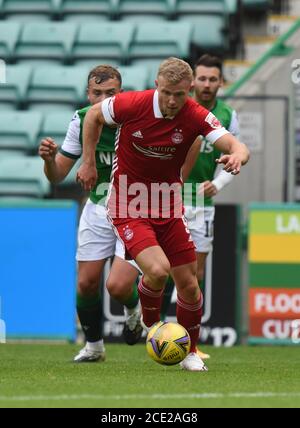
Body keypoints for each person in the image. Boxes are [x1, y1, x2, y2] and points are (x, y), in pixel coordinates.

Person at [77, 57, 250, 372]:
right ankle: (153, 326)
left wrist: (237, 155)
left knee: (189, 283)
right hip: (128, 204)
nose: (172, 101)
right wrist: (88, 162)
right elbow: (91, 116)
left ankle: (191, 353)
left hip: (169, 206)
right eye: (167, 92)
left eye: (180, 94)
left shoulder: (196, 114)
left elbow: (235, 144)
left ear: (190, 90)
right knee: (157, 271)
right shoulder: (131, 104)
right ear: (157, 86)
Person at [39, 65, 142, 363]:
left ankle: (135, 310)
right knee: (86, 283)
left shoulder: (135, 117)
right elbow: (57, 175)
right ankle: (94, 346)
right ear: (88, 94)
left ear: (120, 94)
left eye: (110, 93)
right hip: (97, 208)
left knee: (119, 286)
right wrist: (48, 160)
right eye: (96, 93)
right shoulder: (81, 120)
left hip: (134, 209)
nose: (102, 99)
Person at [160, 54, 241, 360]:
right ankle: (155, 326)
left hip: (201, 202)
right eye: (202, 79)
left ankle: (188, 340)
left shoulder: (227, 116)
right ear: (193, 82)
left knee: (195, 273)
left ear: (221, 82)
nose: (207, 85)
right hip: (166, 198)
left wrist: (217, 184)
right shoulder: (176, 107)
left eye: (213, 79)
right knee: (164, 268)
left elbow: (236, 156)